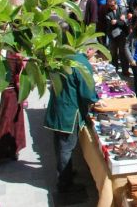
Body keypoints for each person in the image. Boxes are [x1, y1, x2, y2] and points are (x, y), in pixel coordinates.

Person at [44, 59, 103, 193]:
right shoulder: (80, 63)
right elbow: (86, 92)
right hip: (69, 111)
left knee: (60, 145)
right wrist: (95, 100)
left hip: (59, 108)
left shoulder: (58, 57)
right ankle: (65, 183)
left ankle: (66, 173)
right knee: (65, 148)